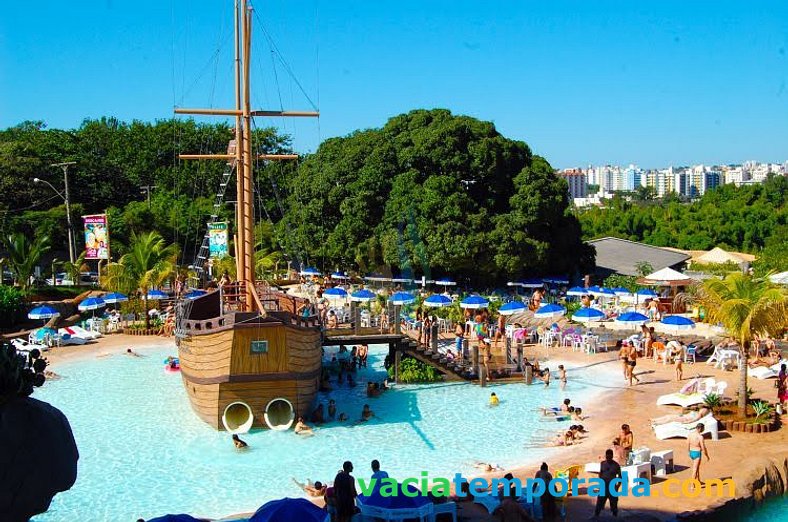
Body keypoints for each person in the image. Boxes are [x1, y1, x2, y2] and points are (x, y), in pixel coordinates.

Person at [593, 449, 622, 518]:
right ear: (606, 456)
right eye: (607, 456)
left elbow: (620, 477)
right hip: (604, 487)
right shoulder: (602, 463)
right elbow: (600, 473)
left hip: (612, 487)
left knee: (614, 504)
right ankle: (596, 516)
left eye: (610, 456)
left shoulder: (616, 465)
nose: (608, 458)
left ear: (612, 456)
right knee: (599, 503)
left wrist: (617, 487)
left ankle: (615, 517)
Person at [688, 423, 710, 488]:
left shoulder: (690, 434)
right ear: (700, 428)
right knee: (694, 469)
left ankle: (698, 480)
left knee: (697, 467)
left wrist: (688, 452)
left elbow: (688, 443)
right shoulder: (700, 437)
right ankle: (692, 485)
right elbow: (703, 448)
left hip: (691, 451)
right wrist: (707, 455)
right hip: (697, 453)